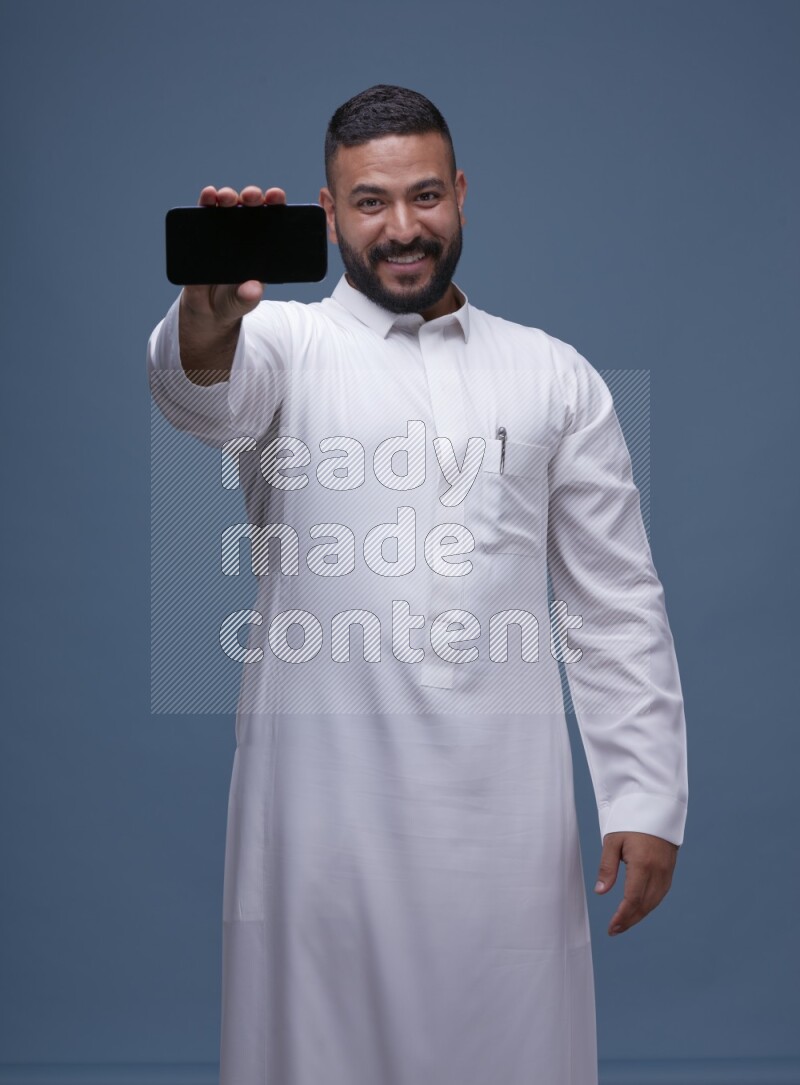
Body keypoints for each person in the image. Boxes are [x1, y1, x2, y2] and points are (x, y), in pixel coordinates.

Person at [148, 84, 688, 1085]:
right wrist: (205, 309)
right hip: (321, 817)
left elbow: (613, 596)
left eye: (424, 195)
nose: (402, 227)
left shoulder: (552, 373)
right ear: (328, 212)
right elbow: (197, 392)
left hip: (504, 815)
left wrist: (645, 790)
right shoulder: (282, 346)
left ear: (462, 194)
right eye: (370, 202)